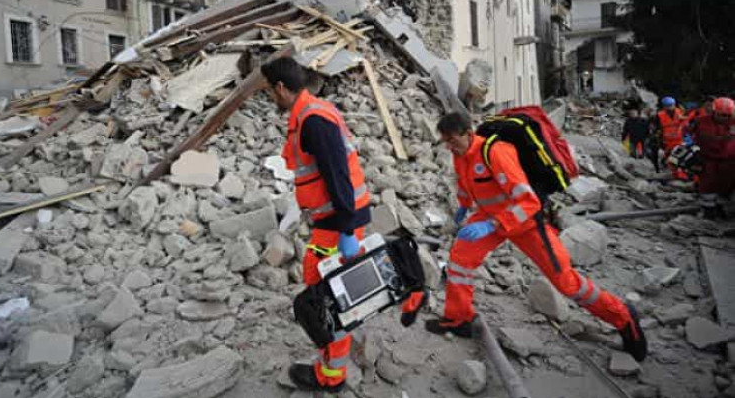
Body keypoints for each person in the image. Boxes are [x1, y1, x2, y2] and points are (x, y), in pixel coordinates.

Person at [426, 112, 648, 362]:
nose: (449, 146)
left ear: (468, 134)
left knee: (566, 282)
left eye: (452, 140)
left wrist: (493, 224)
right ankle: (459, 319)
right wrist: (464, 206)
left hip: (525, 222)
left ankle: (623, 317)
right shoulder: (461, 154)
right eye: (445, 141)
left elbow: (529, 202)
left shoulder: (496, 152)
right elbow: (467, 184)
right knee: (460, 259)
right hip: (490, 217)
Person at [261, 57, 425, 392]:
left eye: (269, 91)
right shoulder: (311, 112)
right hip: (337, 217)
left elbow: (338, 175)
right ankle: (413, 294)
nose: (270, 98)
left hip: (338, 221)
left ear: (280, 87)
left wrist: (347, 229)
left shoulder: (312, 121)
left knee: (325, 295)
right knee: (349, 281)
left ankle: (330, 375)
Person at [691, 97, 735, 220]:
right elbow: (688, 134)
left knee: (726, 185)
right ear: (714, 112)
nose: (725, 118)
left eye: (728, 115)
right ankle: (708, 211)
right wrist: (693, 150)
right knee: (708, 185)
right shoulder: (701, 122)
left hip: (730, 161)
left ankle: (721, 208)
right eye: (721, 115)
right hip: (708, 159)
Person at [656, 97, 688, 179]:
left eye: (671, 105)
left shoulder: (680, 112)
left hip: (679, 140)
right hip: (667, 142)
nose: (670, 107)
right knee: (670, 160)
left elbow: (686, 123)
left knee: (680, 158)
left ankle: (681, 174)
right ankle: (674, 175)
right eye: (667, 106)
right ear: (664, 106)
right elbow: (657, 129)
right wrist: (659, 141)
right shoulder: (660, 115)